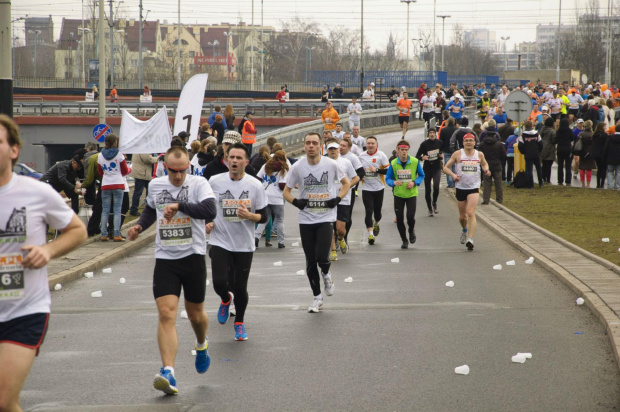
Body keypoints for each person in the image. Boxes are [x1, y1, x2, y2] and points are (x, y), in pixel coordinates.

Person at [0, 114, 87, 412]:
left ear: (14, 150)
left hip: (23, 311)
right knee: (8, 402)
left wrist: (48, 251)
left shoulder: (36, 192)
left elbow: (78, 230)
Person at [127, 145, 217, 395]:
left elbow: (211, 210)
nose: (178, 176)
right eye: (173, 171)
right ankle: (169, 372)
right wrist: (139, 227)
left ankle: (201, 344)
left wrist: (179, 205)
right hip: (166, 258)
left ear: (189, 166)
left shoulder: (199, 184)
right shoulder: (156, 185)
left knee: (196, 315)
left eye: (182, 170)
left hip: (193, 256)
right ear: (164, 167)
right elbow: (150, 211)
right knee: (167, 313)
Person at [207, 142, 268, 341]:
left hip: (244, 243)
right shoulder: (214, 181)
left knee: (240, 287)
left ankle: (239, 323)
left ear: (246, 161)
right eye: (231, 157)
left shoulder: (255, 185)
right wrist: (207, 221)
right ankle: (226, 298)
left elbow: (264, 216)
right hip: (220, 240)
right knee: (218, 282)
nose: (234, 161)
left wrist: (250, 216)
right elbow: (205, 206)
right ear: (226, 159)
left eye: (238, 158)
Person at [283, 132, 350, 313]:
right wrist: (296, 202)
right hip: (306, 219)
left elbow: (346, 184)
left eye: (314, 143)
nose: (310, 146)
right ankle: (317, 298)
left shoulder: (331, 164)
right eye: (308, 143)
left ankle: (327, 274)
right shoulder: (297, 167)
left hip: (325, 217)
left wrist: (337, 199)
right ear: (304, 146)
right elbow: (286, 192)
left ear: (320, 146)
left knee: (322, 256)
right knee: (310, 261)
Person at [442, 133, 491, 251]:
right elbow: (445, 168)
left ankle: (471, 239)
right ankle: (464, 230)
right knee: (462, 217)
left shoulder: (479, 154)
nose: (469, 142)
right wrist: (453, 175)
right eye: (466, 141)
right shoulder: (457, 154)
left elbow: (484, 163)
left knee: (470, 212)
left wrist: (486, 170)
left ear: (474, 142)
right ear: (463, 143)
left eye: (471, 140)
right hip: (460, 187)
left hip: (474, 187)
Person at [386, 139, 424, 249]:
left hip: (411, 194)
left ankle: (411, 231)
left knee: (410, 217)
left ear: (408, 150)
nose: (404, 152)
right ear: (397, 150)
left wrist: (414, 182)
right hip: (398, 194)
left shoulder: (415, 162)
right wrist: (393, 183)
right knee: (399, 218)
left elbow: (421, 176)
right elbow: (388, 178)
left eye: (406, 150)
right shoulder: (393, 163)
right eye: (402, 149)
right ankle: (404, 239)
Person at [325, 139, 359, 260]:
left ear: (339, 149)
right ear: (327, 150)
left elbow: (356, 177)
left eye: (335, 149)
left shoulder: (346, 162)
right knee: (329, 226)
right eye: (330, 149)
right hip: (328, 199)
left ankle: (341, 239)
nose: (333, 151)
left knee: (340, 229)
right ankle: (333, 250)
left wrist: (347, 186)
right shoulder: (323, 162)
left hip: (343, 199)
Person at [97, 133, 130, 242]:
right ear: (115, 142)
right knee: (117, 210)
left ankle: (103, 234)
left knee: (105, 210)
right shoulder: (119, 155)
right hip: (118, 184)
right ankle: (116, 234)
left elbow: (100, 172)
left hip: (105, 184)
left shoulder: (100, 155)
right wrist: (129, 170)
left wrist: (108, 174)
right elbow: (125, 171)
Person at [359, 136, 390, 245]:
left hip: (379, 188)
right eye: (368, 143)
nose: (370, 145)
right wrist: (360, 175)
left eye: (373, 143)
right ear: (366, 145)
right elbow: (356, 170)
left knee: (377, 213)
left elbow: (388, 171)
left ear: (376, 145)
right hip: (366, 189)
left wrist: (376, 170)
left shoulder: (381, 155)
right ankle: (371, 235)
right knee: (368, 211)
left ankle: (376, 222)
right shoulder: (361, 156)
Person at [255, 150, 289, 249]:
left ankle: (256, 238)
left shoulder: (266, 165)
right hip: (277, 198)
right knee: (279, 220)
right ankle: (281, 242)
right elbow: (282, 185)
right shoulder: (283, 168)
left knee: (264, 219)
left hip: (265, 197)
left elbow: (258, 179)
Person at [339, 138, 365, 243]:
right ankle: (336, 237)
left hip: (349, 191)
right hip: (334, 191)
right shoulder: (334, 157)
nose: (341, 147)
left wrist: (349, 185)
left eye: (344, 146)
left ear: (349, 148)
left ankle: (344, 236)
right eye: (340, 145)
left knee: (347, 216)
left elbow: (361, 172)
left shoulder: (352, 157)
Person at [415, 129, 443, 216]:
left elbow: (441, 152)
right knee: (428, 190)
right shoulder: (424, 144)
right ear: (428, 134)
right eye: (430, 133)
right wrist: (422, 158)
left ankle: (434, 203)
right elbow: (417, 156)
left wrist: (441, 155)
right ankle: (430, 209)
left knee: (436, 187)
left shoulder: (440, 143)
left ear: (435, 134)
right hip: (427, 169)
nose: (432, 134)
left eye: (433, 133)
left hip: (437, 168)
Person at [478, 127, 507, 204]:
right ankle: (499, 200)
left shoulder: (482, 144)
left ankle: (486, 200)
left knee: (487, 184)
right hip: (497, 166)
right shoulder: (499, 144)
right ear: (495, 134)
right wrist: (499, 161)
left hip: (486, 167)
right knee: (498, 184)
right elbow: (504, 155)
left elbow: (479, 155)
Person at [517, 120, 544, 189]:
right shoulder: (537, 134)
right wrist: (538, 151)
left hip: (528, 154)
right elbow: (541, 144)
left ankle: (530, 185)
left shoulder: (523, 135)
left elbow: (520, 146)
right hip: (536, 154)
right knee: (539, 168)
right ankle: (541, 183)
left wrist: (524, 152)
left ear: (525, 126)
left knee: (529, 170)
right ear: (532, 126)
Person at [575, 120, 595, 188]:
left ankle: (583, 183)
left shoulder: (581, 134)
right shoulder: (593, 134)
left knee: (582, 168)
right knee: (589, 169)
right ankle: (588, 184)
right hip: (590, 152)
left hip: (582, 152)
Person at [440, 117, 458, 188]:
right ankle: (455, 182)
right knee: (455, 167)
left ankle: (450, 183)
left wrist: (441, 150)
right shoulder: (457, 129)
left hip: (446, 150)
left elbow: (441, 141)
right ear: (454, 122)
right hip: (455, 151)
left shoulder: (443, 130)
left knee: (448, 167)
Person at [555, 119, 574, 185]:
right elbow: (572, 138)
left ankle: (560, 180)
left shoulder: (558, 131)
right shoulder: (569, 131)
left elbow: (556, 140)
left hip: (560, 149)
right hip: (568, 149)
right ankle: (568, 180)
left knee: (560, 165)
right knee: (568, 166)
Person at [539, 117, 557, 184]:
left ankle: (543, 177)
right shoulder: (552, 131)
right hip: (550, 149)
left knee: (543, 164)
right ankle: (548, 179)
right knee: (549, 166)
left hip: (542, 148)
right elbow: (554, 141)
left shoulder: (542, 129)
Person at [592, 122, 608, 189]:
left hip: (596, 154)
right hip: (603, 154)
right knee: (604, 169)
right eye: (604, 126)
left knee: (599, 169)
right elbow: (606, 145)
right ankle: (602, 184)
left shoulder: (595, 135)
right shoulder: (604, 135)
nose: (605, 128)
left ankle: (598, 184)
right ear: (602, 127)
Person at [604, 121, 620, 189]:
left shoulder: (610, 138)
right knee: (618, 172)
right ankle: (617, 186)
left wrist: (605, 157)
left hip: (610, 157)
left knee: (610, 172)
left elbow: (606, 148)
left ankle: (609, 186)